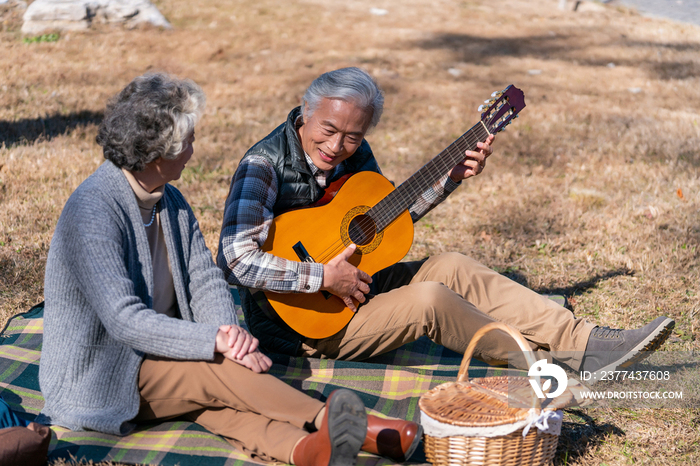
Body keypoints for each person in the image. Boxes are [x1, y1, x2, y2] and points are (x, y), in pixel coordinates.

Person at [35, 72, 421, 466]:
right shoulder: (93, 211)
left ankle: (307, 452)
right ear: (157, 154)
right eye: (188, 140)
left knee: (221, 398)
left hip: (166, 353)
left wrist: (230, 335)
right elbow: (123, 321)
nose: (194, 147)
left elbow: (205, 279)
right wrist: (214, 343)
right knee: (213, 371)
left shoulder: (169, 199)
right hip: (105, 373)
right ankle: (349, 424)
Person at [217, 66, 674, 376]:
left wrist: (449, 178)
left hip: (355, 283)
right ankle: (546, 366)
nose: (337, 146)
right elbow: (235, 260)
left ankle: (590, 342)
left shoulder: (355, 152)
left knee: (452, 265)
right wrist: (323, 275)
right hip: (302, 324)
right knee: (430, 299)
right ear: (306, 110)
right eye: (328, 130)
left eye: (353, 137)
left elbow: (381, 221)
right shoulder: (264, 164)